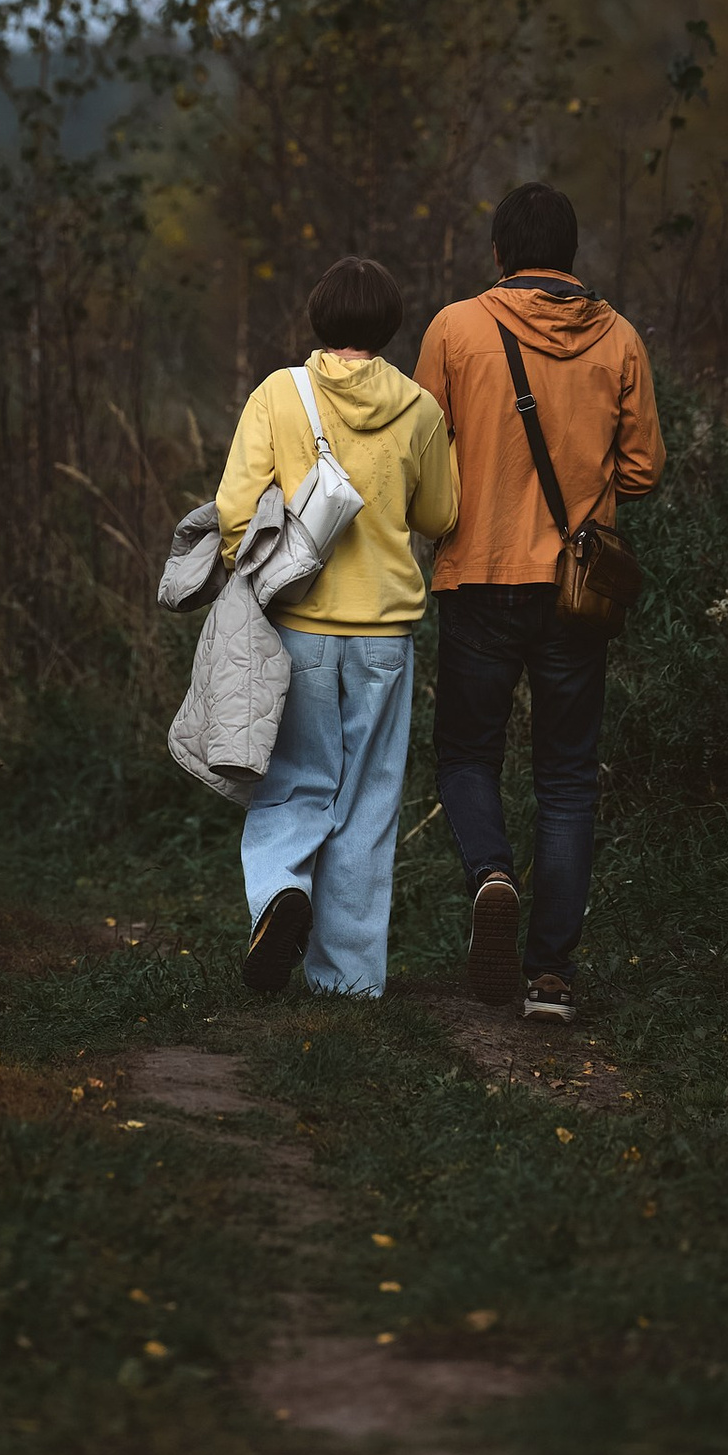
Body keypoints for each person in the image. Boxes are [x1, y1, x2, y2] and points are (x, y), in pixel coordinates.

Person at [413, 181, 665, 1025]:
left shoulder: (454, 328)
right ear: (570, 255)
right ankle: (551, 978)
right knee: (565, 777)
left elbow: (423, 458)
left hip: (478, 575)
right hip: (574, 588)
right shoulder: (619, 336)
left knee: (466, 755)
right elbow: (643, 471)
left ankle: (490, 872)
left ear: (497, 254)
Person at [217, 254, 460, 1000]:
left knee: (292, 785)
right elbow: (439, 516)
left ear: (318, 320)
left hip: (296, 626)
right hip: (385, 636)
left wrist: (251, 562)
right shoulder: (420, 408)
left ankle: (282, 894)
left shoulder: (277, 394)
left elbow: (234, 509)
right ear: (389, 326)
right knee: (368, 800)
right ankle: (346, 981)